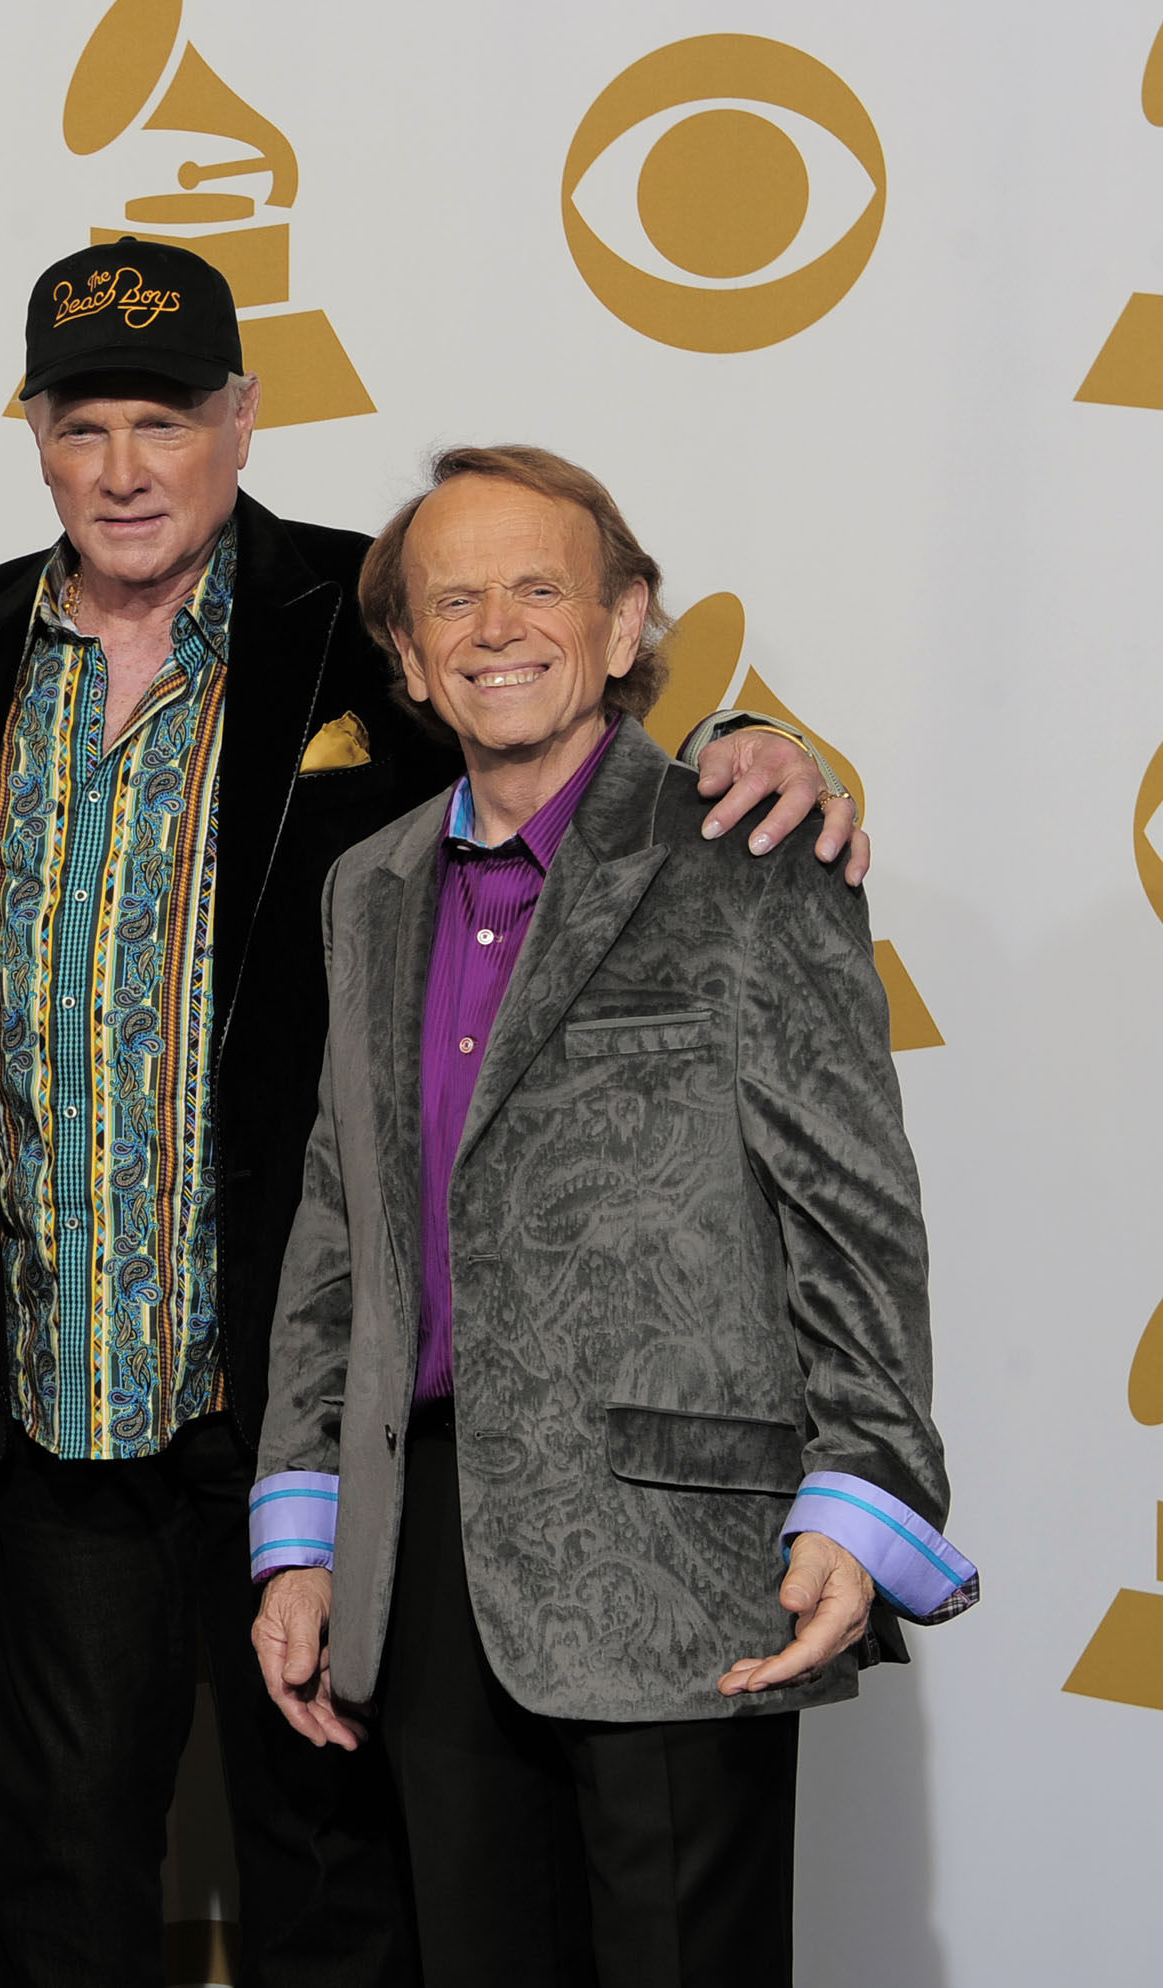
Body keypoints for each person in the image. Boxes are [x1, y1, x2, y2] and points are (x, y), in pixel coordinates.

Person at [0, 243, 865, 1988]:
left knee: (346, 1879)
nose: (126, 465)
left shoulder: (379, 612)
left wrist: (763, 744)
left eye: (168, 422)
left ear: (243, 423)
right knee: (59, 1867)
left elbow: (581, 735)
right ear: (33, 434)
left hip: (329, 1401)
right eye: (84, 423)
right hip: (62, 1402)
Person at [249, 445, 975, 1987]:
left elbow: (851, 1207)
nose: (497, 625)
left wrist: (867, 1482)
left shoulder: (744, 850)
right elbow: (338, 1228)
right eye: (454, 598)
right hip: (426, 1557)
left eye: (539, 587)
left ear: (628, 619)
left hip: (676, 1552)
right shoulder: (369, 884)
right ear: (406, 655)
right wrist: (301, 1530)